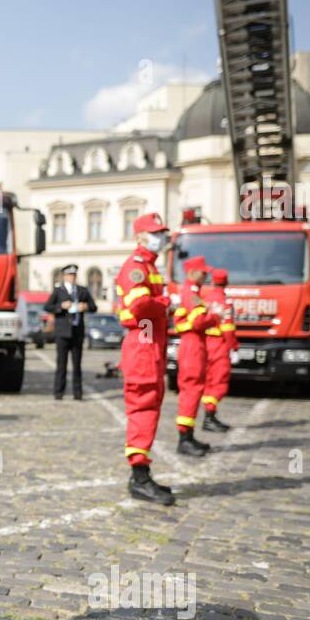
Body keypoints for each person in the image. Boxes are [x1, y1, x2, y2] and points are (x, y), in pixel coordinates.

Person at [115, 213, 175, 505]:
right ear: (139, 237)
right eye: (155, 233)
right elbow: (139, 306)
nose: (161, 237)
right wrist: (165, 304)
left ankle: (142, 473)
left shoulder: (149, 266)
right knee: (143, 409)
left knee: (149, 408)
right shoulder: (136, 266)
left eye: (162, 232)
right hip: (143, 346)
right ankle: (139, 477)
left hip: (150, 345)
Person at [172, 255, 218, 456]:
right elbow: (198, 322)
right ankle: (184, 439)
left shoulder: (193, 291)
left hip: (194, 343)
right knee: (192, 388)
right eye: (203, 271)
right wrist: (215, 316)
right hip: (193, 345)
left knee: (194, 388)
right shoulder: (191, 292)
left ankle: (188, 436)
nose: (206, 274)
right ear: (192, 272)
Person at [44, 263, 96, 400]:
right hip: (62, 332)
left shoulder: (82, 290)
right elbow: (48, 306)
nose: (72, 277)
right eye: (69, 275)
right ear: (64, 276)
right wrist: (60, 306)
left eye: (74, 275)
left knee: (77, 365)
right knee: (61, 364)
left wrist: (85, 306)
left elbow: (93, 306)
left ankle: (77, 393)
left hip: (77, 331)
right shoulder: (58, 291)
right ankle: (58, 392)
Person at [200, 267, 237, 431]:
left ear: (212, 281)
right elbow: (227, 328)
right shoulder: (225, 302)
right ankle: (209, 417)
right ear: (226, 282)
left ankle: (209, 416)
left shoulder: (204, 298)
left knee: (208, 381)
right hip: (219, 345)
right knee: (219, 382)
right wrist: (233, 347)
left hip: (204, 344)